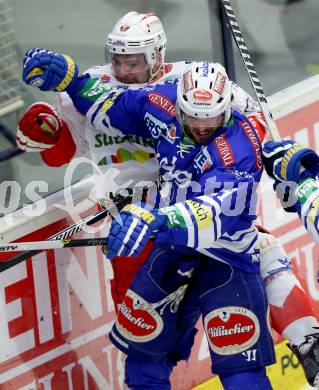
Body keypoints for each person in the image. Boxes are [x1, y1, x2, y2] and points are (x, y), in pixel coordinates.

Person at [16, 12, 319, 388]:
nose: (201, 127)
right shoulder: (158, 102)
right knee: (144, 359)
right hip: (146, 237)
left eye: (135, 60)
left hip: (207, 241)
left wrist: (159, 219)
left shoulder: (236, 144)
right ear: (179, 107)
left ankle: (309, 340)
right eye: (192, 117)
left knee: (247, 340)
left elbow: (217, 209)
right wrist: (70, 84)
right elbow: (106, 111)